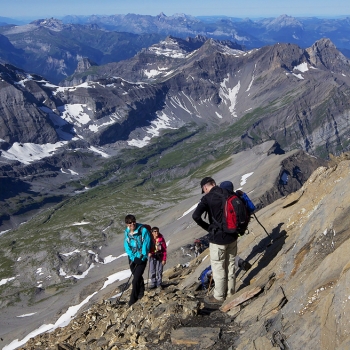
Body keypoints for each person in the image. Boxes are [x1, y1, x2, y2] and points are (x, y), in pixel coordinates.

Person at [192, 177, 237, 305]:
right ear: (214, 184)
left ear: (205, 187)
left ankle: (219, 296)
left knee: (219, 267)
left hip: (218, 239)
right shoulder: (228, 193)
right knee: (231, 265)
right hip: (233, 236)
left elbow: (195, 216)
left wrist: (208, 228)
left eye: (204, 190)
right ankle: (230, 293)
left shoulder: (207, 198)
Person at [219, 180, 252, 272]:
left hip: (227, 231)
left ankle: (239, 263)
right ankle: (239, 262)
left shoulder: (223, 201)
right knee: (229, 252)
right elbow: (251, 208)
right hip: (239, 230)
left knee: (224, 255)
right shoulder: (238, 197)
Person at [123, 214, 151, 306]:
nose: (132, 224)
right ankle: (141, 292)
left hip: (141, 258)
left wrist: (142, 257)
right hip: (132, 258)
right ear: (127, 224)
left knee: (135, 279)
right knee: (137, 276)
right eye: (130, 223)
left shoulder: (143, 230)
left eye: (134, 221)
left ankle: (132, 299)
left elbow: (146, 244)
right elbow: (126, 246)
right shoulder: (126, 232)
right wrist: (132, 257)